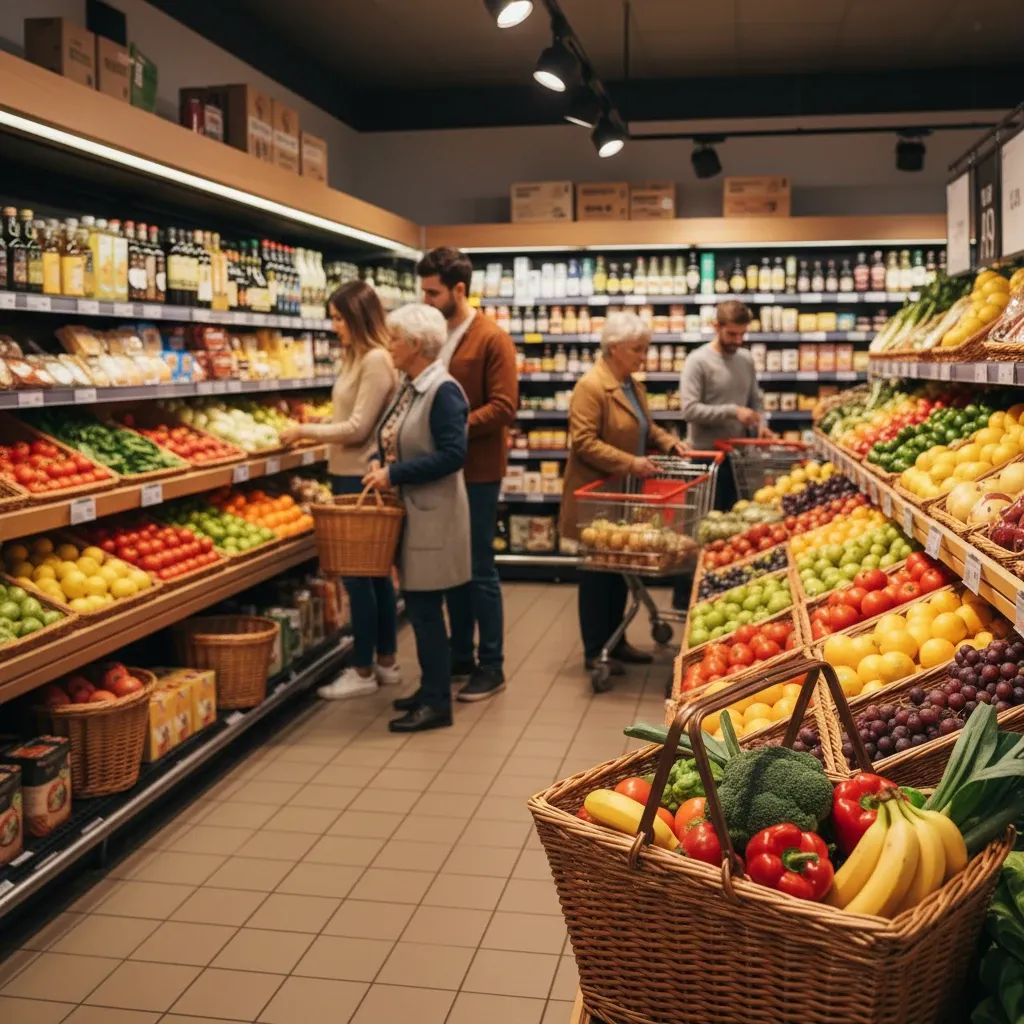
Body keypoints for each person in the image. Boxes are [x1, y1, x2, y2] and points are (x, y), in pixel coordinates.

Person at [280, 280, 399, 700]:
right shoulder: (356, 358)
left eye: (338, 318)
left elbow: (357, 428)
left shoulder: (376, 360)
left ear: (357, 318)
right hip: (348, 473)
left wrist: (302, 431)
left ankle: (364, 668)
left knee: (360, 577)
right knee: (374, 575)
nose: (334, 327)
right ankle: (386, 661)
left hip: (359, 477)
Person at [362, 303, 471, 733]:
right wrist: (381, 460)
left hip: (434, 518)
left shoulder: (444, 391)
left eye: (394, 338)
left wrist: (393, 473)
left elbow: (453, 455)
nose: (389, 345)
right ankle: (430, 689)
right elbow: (397, 436)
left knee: (426, 611)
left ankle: (437, 703)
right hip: (415, 515)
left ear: (415, 344)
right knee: (422, 608)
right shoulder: (412, 385)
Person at [560, 311, 688, 675]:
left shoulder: (633, 384)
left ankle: (617, 642)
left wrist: (668, 443)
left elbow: (646, 427)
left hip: (623, 496)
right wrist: (631, 463)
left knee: (617, 573)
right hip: (596, 497)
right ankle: (594, 649)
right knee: (597, 576)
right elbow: (584, 442)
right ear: (614, 348)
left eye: (645, 348)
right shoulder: (591, 387)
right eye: (637, 349)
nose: (643, 356)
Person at [417, 246, 517, 703]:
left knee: (479, 569)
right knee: (454, 569)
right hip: (443, 472)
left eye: (433, 292)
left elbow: (503, 406)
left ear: (459, 289)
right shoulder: (435, 333)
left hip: (477, 470)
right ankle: (461, 655)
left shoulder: (490, 337)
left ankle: (491, 665)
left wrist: (454, 428)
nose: (426, 300)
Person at [679, 299, 774, 514]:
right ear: (716, 327)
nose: (738, 340)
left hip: (739, 459)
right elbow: (689, 410)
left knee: (736, 522)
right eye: (732, 334)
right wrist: (733, 412)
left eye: (742, 334)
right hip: (706, 459)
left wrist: (761, 426)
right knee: (704, 522)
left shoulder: (746, 359)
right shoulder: (698, 361)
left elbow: (755, 401)